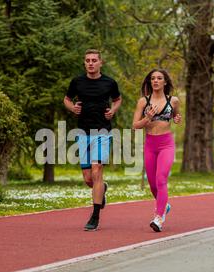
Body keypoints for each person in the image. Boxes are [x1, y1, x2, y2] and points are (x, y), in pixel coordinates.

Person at [63, 49, 122, 231]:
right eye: (88, 60)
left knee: (97, 170)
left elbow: (118, 99)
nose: (91, 63)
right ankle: (102, 188)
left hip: (103, 132)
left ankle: (95, 215)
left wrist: (113, 110)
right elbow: (66, 99)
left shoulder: (109, 82)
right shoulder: (77, 82)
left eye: (94, 60)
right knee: (89, 179)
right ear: (84, 63)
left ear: (100, 63)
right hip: (83, 132)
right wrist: (73, 108)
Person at [132, 69, 182, 232]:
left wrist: (177, 118)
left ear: (165, 82)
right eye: (153, 78)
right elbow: (135, 126)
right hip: (150, 145)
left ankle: (159, 217)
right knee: (153, 184)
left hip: (166, 144)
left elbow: (176, 116)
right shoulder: (143, 102)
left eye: (159, 78)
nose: (156, 81)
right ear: (150, 82)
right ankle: (164, 205)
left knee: (161, 179)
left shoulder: (173, 101)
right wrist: (147, 118)